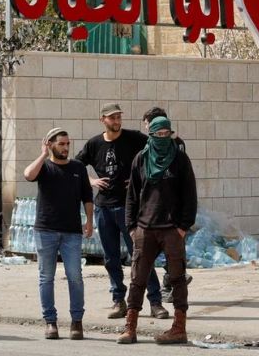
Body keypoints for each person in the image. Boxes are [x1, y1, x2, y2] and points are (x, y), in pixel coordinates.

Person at [75, 103, 168, 320]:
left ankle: (155, 302)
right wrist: (92, 181)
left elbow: (156, 150)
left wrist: (142, 179)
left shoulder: (134, 138)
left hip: (129, 208)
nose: (116, 121)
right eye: (112, 118)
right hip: (103, 209)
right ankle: (119, 301)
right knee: (111, 258)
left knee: (141, 256)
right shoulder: (94, 144)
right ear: (103, 120)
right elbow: (77, 166)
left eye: (118, 117)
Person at [118, 116, 197, 345]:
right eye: (158, 134)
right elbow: (131, 196)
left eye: (166, 134)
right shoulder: (141, 159)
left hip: (172, 230)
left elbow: (190, 197)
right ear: (151, 135)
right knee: (137, 279)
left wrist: (182, 227)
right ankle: (130, 327)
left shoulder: (180, 159)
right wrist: (132, 228)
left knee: (177, 278)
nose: (162, 138)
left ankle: (179, 328)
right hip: (145, 229)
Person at [24, 127, 93, 340]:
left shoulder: (78, 167)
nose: (65, 147)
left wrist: (89, 221)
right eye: (61, 143)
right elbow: (28, 175)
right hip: (46, 230)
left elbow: (87, 197)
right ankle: (50, 322)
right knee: (46, 278)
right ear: (51, 144)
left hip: (72, 232)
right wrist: (43, 154)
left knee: (75, 277)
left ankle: (77, 323)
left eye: (67, 144)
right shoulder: (44, 167)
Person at [141, 107, 192, 303]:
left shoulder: (175, 147)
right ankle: (170, 283)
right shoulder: (147, 150)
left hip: (172, 212)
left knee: (174, 253)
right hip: (154, 213)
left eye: (148, 124)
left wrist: (183, 223)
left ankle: (172, 286)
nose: (147, 129)